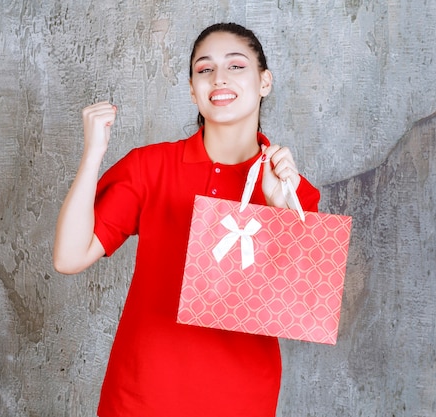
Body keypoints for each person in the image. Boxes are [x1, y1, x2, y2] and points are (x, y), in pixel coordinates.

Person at [53, 22, 320, 417]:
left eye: (237, 66)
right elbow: (69, 257)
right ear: (192, 89)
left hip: (242, 399)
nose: (219, 79)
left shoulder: (295, 192)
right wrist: (93, 154)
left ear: (265, 82)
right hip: (140, 394)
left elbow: (306, 306)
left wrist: (280, 211)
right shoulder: (149, 167)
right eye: (205, 69)